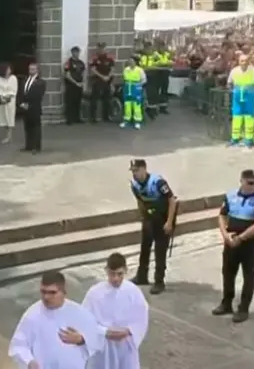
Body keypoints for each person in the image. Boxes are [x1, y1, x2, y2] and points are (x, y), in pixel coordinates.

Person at [8, 270, 102, 369]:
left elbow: (98, 339)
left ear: (64, 292)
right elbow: (18, 345)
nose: (46, 297)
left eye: (52, 292)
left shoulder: (80, 313)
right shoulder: (32, 315)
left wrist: (81, 340)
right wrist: (29, 361)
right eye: (43, 292)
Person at [213, 169, 254, 322]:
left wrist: (242, 238)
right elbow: (222, 215)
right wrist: (225, 234)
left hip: (249, 243)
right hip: (230, 241)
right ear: (242, 181)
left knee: (248, 276)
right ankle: (226, 302)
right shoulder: (231, 196)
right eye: (250, 183)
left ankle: (243, 308)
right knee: (228, 273)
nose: (253, 186)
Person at [81, 252, 149, 369]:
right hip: (103, 346)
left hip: (125, 346)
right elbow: (84, 320)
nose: (116, 278)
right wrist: (104, 332)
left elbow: (141, 317)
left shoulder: (133, 292)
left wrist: (129, 331)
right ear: (106, 271)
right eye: (112, 274)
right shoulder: (94, 293)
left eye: (120, 274)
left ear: (126, 271)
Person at [128, 159, 177, 295]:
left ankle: (159, 281)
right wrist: (143, 216)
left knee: (160, 251)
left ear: (144, 169)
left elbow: (172, 200)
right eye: (133, 171)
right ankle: (142, 276)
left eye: (137, 170)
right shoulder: (134, 184)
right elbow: (140, 200)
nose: (135, 174)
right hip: (149, 218)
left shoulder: (158, 182)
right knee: (145, 247)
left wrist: (169, 222)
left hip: (163, 218)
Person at [227, 54, 254, 147]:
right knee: (237, 118)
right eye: (242, 61)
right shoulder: (234, 71)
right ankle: (235, 138)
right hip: (238, 98)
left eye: (245, 60)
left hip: (250, 97)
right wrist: (232, 92)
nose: (244, 63)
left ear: (248, 61)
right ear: (239, 61)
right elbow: (229, 83)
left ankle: (249, 139)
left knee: (249, 118)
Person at [18, 62, 46, 153]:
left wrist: (29, 104)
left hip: (35, 107)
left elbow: (38, 95)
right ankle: (28, 145)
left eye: (33, 69)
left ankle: (36, 147)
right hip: (25, 107)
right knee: (27, 127)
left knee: (36, 128)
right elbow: (22, 92)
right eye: (30, 69)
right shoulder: (25, 80)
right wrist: (22, 103)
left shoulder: (41, 82)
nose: (31, 71)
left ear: (37, 70)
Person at [89, 42, 115, 122]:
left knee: (107, 98)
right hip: (97, 80)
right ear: (97, 48)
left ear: (105, 48)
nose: (101, 49)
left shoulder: (109, 57)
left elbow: (112, 68)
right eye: (100, 48)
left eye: (103, 48)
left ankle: (106, 116)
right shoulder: (94, 57)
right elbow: (93, 69)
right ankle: (93, 117)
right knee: (94, 99)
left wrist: (108, 76)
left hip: (107, 80)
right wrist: (102, 76)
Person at [120, 57, 146, 130]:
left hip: (136, 88)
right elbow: (124, 78)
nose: (130, 62)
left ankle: (137, 121)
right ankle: (126, 120)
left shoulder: (139, 70)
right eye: (129, 61)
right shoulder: (126, 69)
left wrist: (138, 85)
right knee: (127, 104)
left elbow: (144, 80)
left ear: (135, 62)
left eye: (132, 61)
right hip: (128, 88)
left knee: (136, 105)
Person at [0, 63, 18, 143]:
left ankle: (9, 136)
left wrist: (7, 97)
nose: (9, 71)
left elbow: (14, 91)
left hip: (10, 101)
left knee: (10, 117)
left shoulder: (13, 78)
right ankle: (7, 135)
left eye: (10, 69)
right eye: (8, 69)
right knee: (3, 117)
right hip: (1, 100)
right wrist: (1, 96)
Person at [63, 46, 86, 124]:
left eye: (78, 52)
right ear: (72, 52)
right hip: (71, 85)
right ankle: (69, 119)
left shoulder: (81, 63)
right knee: (70, 102)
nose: (77, 53)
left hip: (79, 85)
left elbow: (83, 74)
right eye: (75, 52)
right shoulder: (68, 62)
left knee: (78, 102)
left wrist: (82, 83)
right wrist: (76, 83)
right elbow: (67, 75)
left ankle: (77, 118)